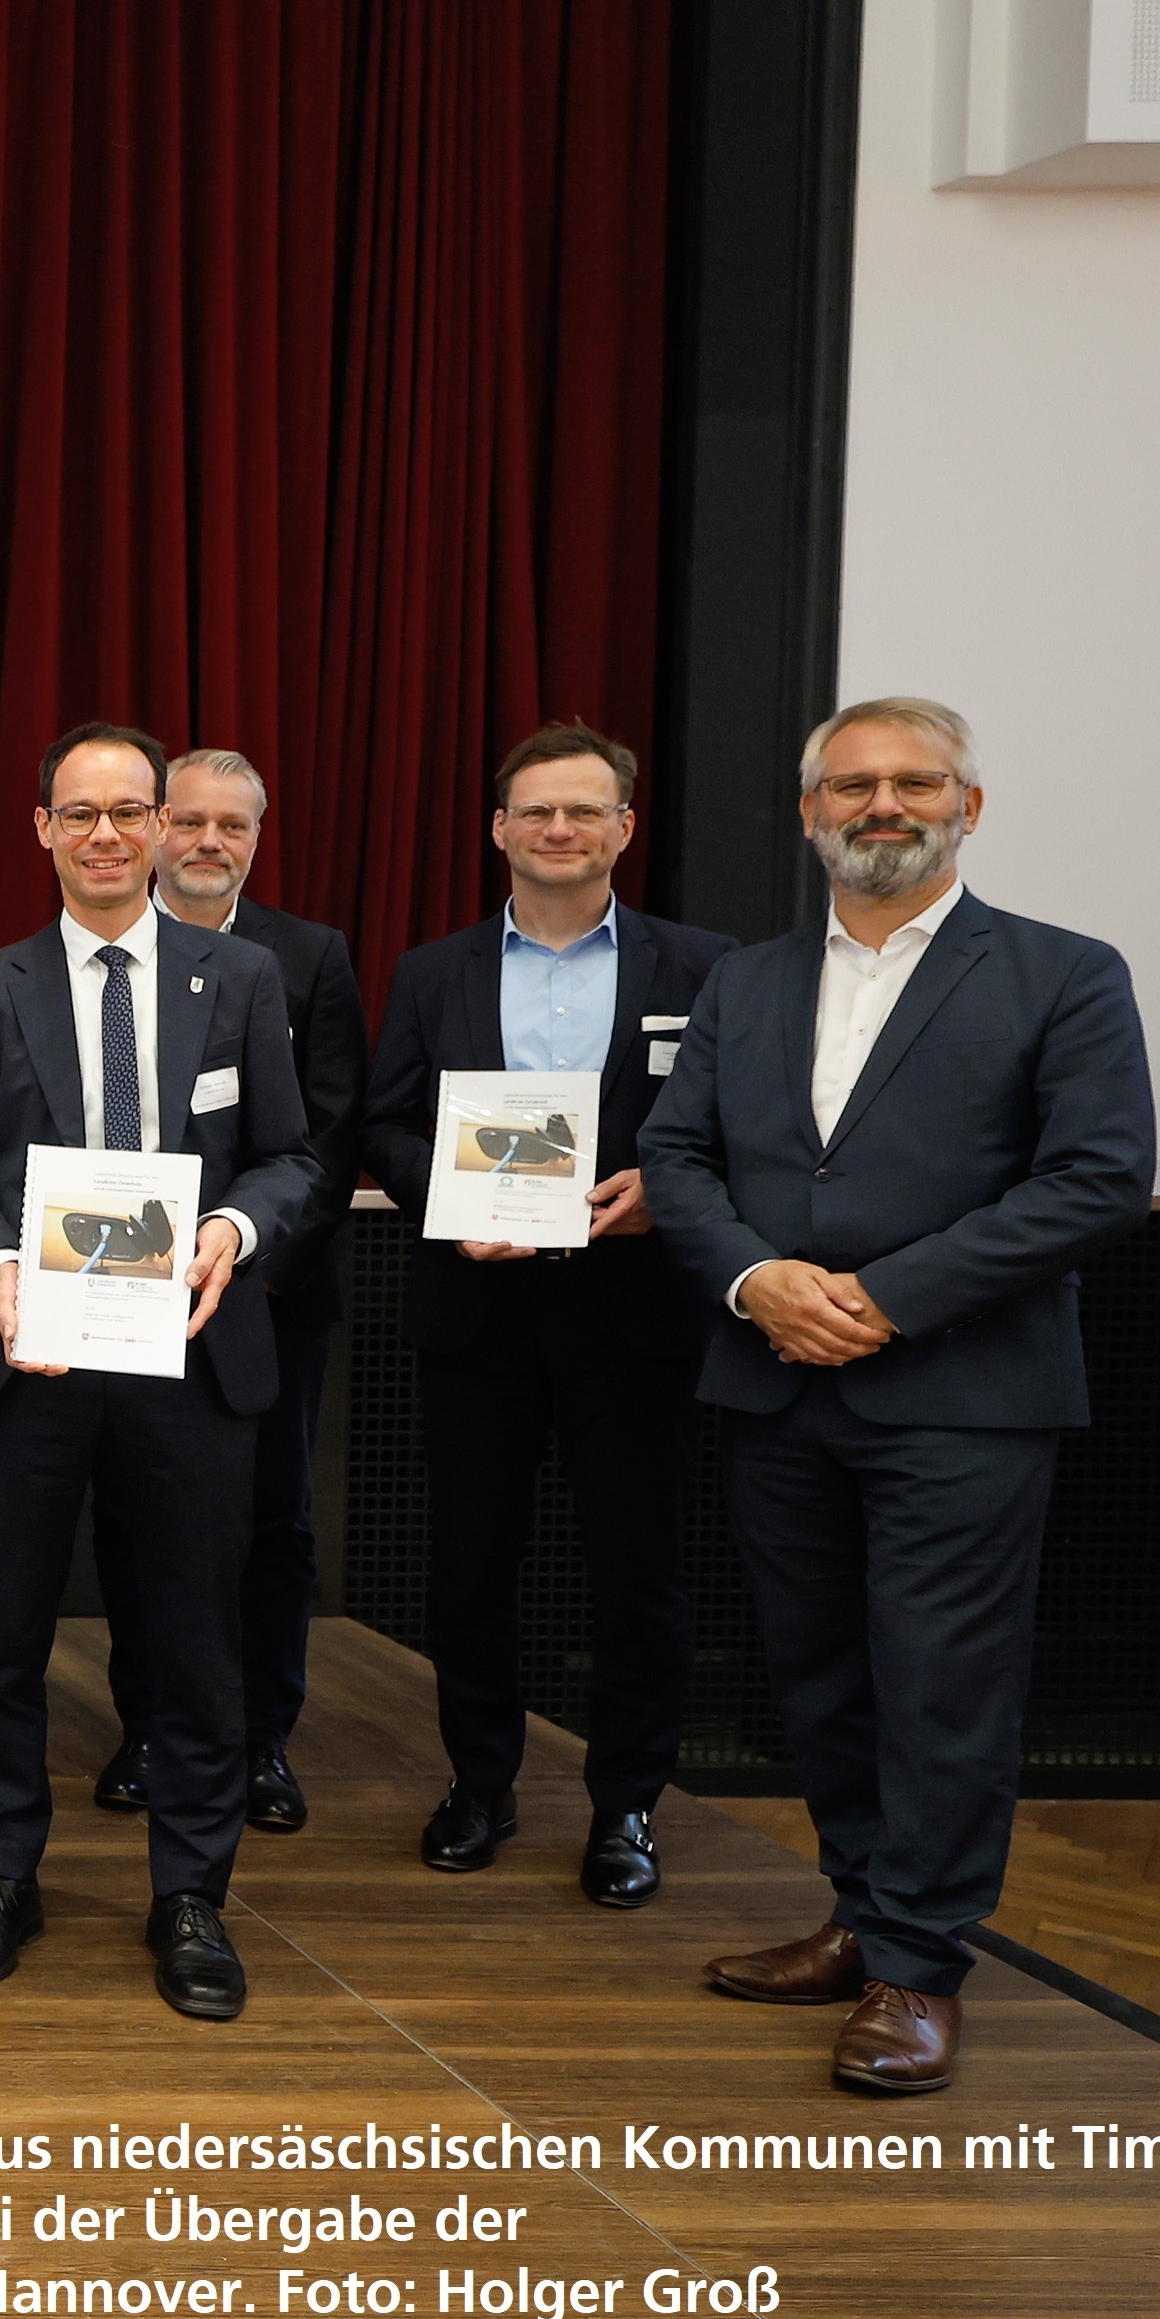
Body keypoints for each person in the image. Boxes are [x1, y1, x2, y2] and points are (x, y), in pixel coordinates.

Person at [645, 696, 1153, 2095]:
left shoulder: (1063, 972)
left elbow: (1098, 1178)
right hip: (774, 1382)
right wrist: (759, 1281)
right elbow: (676, 1158)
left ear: (967, 806)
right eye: (853, 785)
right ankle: (862, 1916)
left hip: (962, 1393)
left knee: (941, 1686)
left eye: (916, 783)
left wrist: (883, 1296)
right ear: (810, 811)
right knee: (817, 1676)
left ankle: (921, 1965)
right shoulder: (747, 981)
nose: (884, 806)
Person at [0, 722, 319, 2023]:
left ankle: (191, 1893)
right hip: (28, 1354)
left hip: (190, 1358)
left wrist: (234, 1227)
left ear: (160, 825)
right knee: (4, 1634)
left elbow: (291, 1154)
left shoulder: (241, 976)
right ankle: (2, 1871)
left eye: (128, 811)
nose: (105, 834)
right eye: (78, 813)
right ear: (40, 828)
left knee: (196, 1638)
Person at [363, 723, 730, 1907]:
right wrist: (450, 1194)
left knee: (638, 1572)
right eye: (535, 810)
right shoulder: (432, 972)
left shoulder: (706, 969)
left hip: (637, 1315)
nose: (557, 829)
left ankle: (626, 1803)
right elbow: (382, 1124)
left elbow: (740, 1127)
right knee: (470, 1566)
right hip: (479, 1309)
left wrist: (661, 1193)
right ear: (498, 829)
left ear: (623, 828)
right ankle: (479, 1784)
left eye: (582, 811)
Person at [89, 747, 367, 1837]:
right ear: (156, 827)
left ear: (257, 835)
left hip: (260, 1301)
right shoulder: (97, 946)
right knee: (133, 1516)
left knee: (271, 1522)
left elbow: (326, 1137)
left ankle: (260, 1740)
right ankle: (146, 1726)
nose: (210, 842)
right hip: (112, 1291)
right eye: (191, 821)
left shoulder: (306, 956)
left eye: (233, 826)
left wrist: (241, 1266)